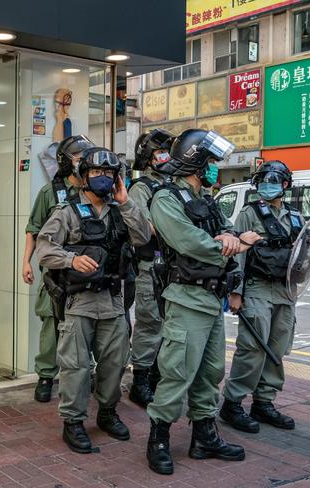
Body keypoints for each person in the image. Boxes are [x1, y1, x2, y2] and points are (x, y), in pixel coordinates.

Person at [145, 128, 262, 475]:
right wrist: (229, 244)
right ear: (195, 162)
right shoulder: (166, 198)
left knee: (211, 371)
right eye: (210, 162)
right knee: (177, 371)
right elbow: (189, 241)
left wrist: (234, 237)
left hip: (212, 299)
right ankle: (159, 437)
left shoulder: (207, 200)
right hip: (185, 299)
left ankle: (204, 436)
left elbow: (227, 230)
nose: (214, 168)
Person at [36, 147, 151, 454]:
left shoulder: (122, 209)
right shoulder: (67, 211)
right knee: (74, 366)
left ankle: (107, 412)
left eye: (109, 174)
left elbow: (143, 239)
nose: (103, 179)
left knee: (114, 364)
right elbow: (44, 250)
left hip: (113, 302)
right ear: (84, 177)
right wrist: (72, 260)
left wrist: (126, 202)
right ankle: (72, 421)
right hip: (79, 302)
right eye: (97, 173)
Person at [220, 161, 302, 433]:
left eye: (274, 180)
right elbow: (239, 255)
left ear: (285, 185)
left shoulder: (295, 217)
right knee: (252, 348)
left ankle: (264, 402)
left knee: (277, 349)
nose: (268, 185)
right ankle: (233, 403)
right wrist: (235, 292)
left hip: (285, 292)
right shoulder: (249, 213)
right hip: (256, 288)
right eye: (263, 180)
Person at [22, 135, 95, 403]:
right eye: (78, 158)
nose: (83, 162)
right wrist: (26, 263)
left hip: (87, 271)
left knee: (87, 325)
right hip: (55, 272)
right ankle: (45, 376)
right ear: (66, 162)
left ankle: (87, 374)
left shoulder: (95, 189)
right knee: (51, 325)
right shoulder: (50, 193)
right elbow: (33, 229)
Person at [127, 129, 174, 408]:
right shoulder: (142, 187)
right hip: (151, 266)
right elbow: (145, 227)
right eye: (160, 151)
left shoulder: (174, 184)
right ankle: (140, 380)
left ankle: (157, 375)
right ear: (147, 156)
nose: (165, 156)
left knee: (169, 326)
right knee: (149, 324)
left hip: (173, 267)